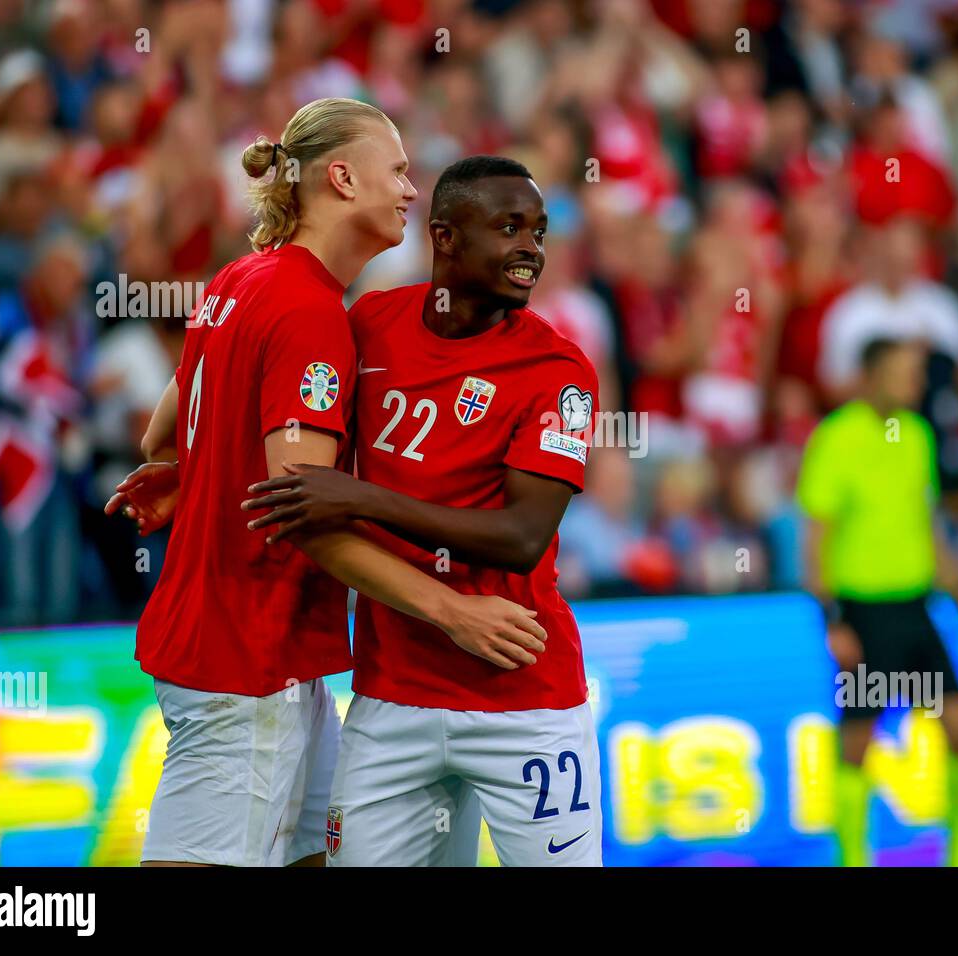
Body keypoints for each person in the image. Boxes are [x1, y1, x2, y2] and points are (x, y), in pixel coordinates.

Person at [105, 103, 545, 868]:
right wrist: (452, 611)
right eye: (399, 169)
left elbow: (159, 437)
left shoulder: (240, 278)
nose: (413, 190)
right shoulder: (309, 310)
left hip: (271, 659)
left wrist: (203, 473)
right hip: (246, 656)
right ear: (341, 177)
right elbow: (303, 510)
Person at [242, 156, 602, 866]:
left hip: (524, 699)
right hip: (390, 698)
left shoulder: (558, 372)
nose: (530, 247)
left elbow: (522, 537)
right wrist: (182, 467)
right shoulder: (371, 324)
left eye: (538, 231)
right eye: (508, 228)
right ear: (444, 237)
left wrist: (362, 496)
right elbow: (286, 416)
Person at [796, 337, 958, 867]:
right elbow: (815, 537)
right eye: (905, 373)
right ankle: (851, 853)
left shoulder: (918, 435)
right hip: (864, 610)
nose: (916, 384)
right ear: (872, 376)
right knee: (857, 737)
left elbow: (925, 521)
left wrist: (956, 588)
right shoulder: (836, 437)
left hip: (917, 605)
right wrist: (831, 619)